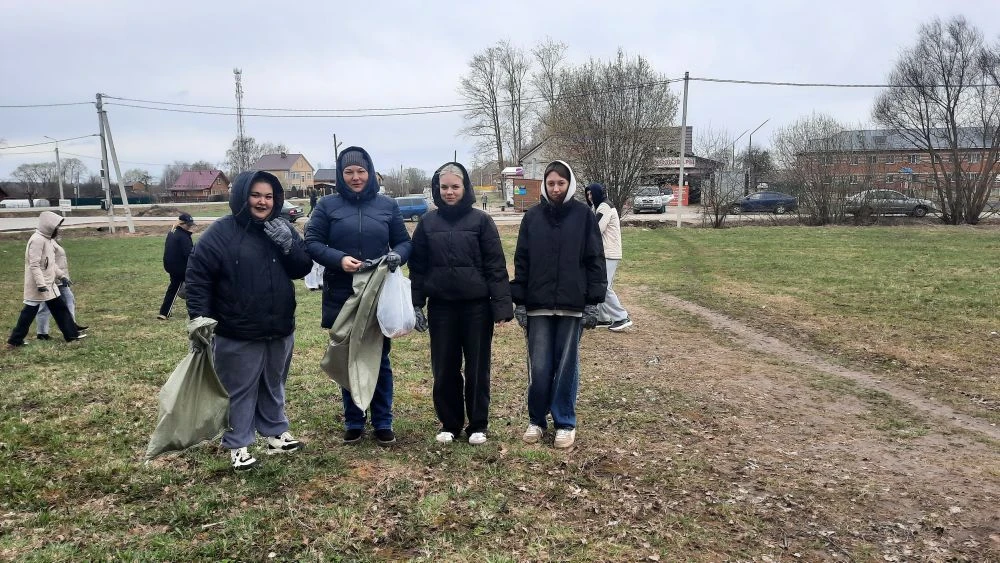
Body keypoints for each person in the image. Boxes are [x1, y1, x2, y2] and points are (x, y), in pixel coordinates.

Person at [185, 171, 313, 471]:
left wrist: (290, 246)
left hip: (279, 325)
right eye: (256, 195)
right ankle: (238, 444)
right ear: (243, 197)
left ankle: (275, 433)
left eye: (268, 196)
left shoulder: (280, 227)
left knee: (273, 383)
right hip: (237, 328)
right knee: (239, 388)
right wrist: (199, 318)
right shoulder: (221, 232)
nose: (262, 202)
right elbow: (198, 276)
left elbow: (302, 268)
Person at [305, 146, 412, 446]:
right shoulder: (327, 206)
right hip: (343, 293)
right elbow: (312, 241)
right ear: (341, 175)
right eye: (349, 172)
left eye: (361, 171)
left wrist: (397, 256)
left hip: (378, 293)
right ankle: (354, 420)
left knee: (380, 357)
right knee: (348, 355)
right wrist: (339, 259)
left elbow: (404, 243)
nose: (355, 177)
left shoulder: (387, 206)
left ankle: (383, 421)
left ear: (370, 172)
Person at [409, 162, 513, 446]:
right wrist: (416, 304)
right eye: (444, 187)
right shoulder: (427, 223)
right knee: (444, 367)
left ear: (465, 188)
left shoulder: (481, 221)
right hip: (441, 307)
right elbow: (418, 268)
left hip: (476, 308)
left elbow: (495, 265)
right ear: (437, 189)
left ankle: (478, 424)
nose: (450, 192)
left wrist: (501, 306)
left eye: (455, 187)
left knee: (477, 367)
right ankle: (450, 423)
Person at [511, 161, 606, 449]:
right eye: (551, 183)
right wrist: (520, 301)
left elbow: (594, 259)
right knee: (539, 367)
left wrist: (593, 302)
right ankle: (536, 420)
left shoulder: (583, 216)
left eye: (560, 183)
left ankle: (565, 422)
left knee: (566, 366)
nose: (555, 188)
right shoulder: (532, 218)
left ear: (570, 184)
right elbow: (522, 260)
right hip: (538, 305)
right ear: (544, 184)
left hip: (572, 304)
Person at [6, 211, 84, 348]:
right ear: (49, 227)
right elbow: (34, 265)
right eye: (56, 227)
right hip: (39, 286)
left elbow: (51, 264)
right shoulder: (37, 240)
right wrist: (41, 284)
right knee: (29, 312)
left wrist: (62, 276)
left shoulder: (47, 240)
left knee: (60, 309)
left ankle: (71, 335)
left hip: (49, 284)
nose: (58, 230)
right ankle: (15, 340)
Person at [585, 183, 632, 331]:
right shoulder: (600, 206)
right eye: (587, 194)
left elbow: (596, 228)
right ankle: (603, 318)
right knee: (601, 285)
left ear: (598, 193)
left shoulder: (604, 207)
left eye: (591, 193)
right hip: (607, 253)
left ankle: (621, 317)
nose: (589, 197)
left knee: (603, 286)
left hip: (609, 253)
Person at [35, 236, 87, 340]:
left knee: (68, 299)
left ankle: (71, 325)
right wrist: (57, 277)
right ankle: (42, 333)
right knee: (45, 306)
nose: (58, 229)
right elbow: (48, 262)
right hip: (53, 279)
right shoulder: (46, 242)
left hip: (60, 277)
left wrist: (63, 276)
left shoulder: (53, 240)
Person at [158, 213, 195, 320]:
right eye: (188, 225)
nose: (190, 227)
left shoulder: (172, 232)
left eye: (190, 225)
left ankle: (164, 312)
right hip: (180, 268)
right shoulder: (183, 236)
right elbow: (189, 254)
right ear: (182, 224)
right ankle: (195, 312)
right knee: (194, 287)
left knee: (174, 288)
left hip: (170, 266)